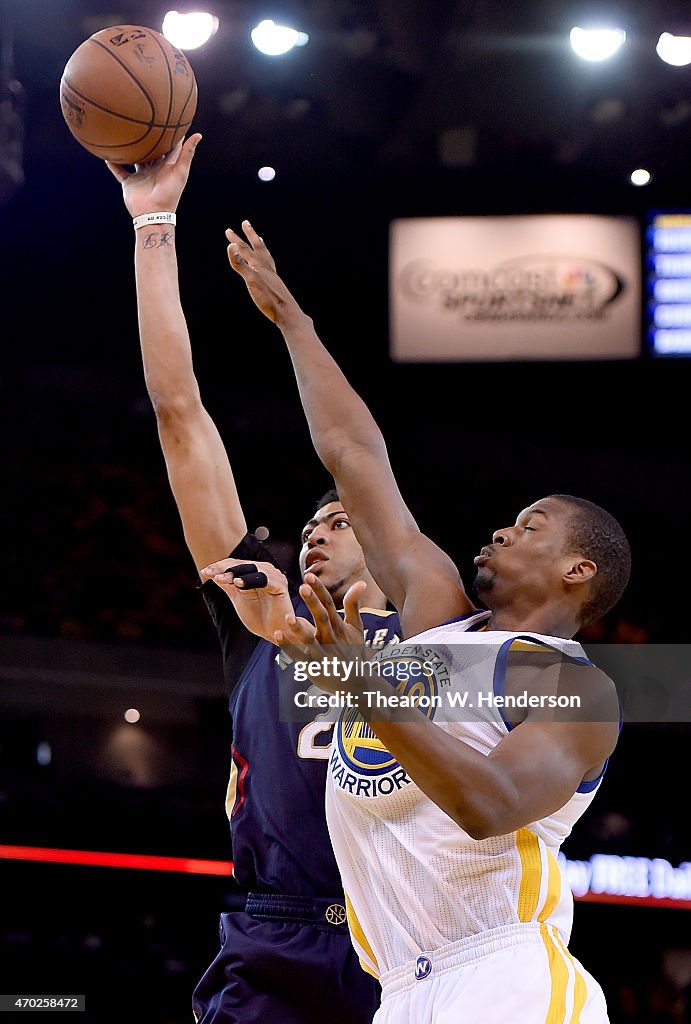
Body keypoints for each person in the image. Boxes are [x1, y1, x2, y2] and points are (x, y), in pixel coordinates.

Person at [220, 219, 632, 1023]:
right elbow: (353, 454)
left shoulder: (570, 685)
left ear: (578, 570)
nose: (505, 528)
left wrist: (363, 686)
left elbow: (487, 802)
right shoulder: (437, 615)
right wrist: (292, 321)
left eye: (532, 523)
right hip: (402, 989)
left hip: (504, 976)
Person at [105, 136, 401, 1024]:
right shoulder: (258, 621)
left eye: (340, 520)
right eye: (309, 523)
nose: (315, 532)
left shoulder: (439, 635)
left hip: (409, 942)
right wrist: (152, 224)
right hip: (274, 939)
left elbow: (610, 690)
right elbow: (180, 416)